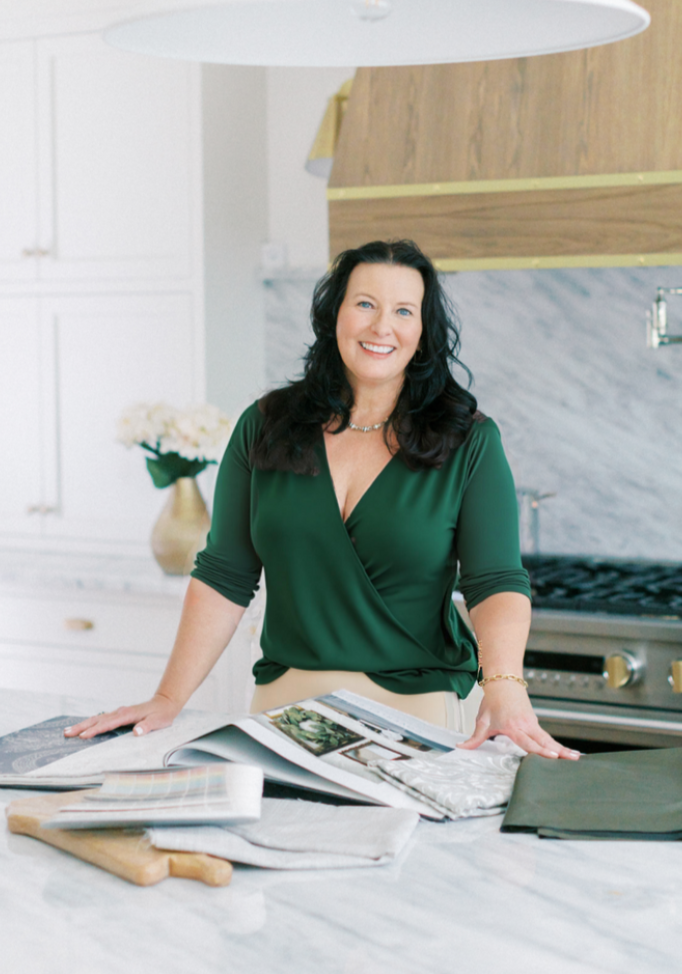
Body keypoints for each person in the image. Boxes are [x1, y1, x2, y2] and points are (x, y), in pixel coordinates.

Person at [66, 240, 579, 761]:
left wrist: (505, 684)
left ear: (423, 332)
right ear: (335, 314)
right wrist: (168, 698)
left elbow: (495, 581)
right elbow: (224, 575)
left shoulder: (469, 441)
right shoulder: (264, 426)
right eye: (365, 304)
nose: (382, 326)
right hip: (282, 711)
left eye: (404, 311)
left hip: (416, 716)